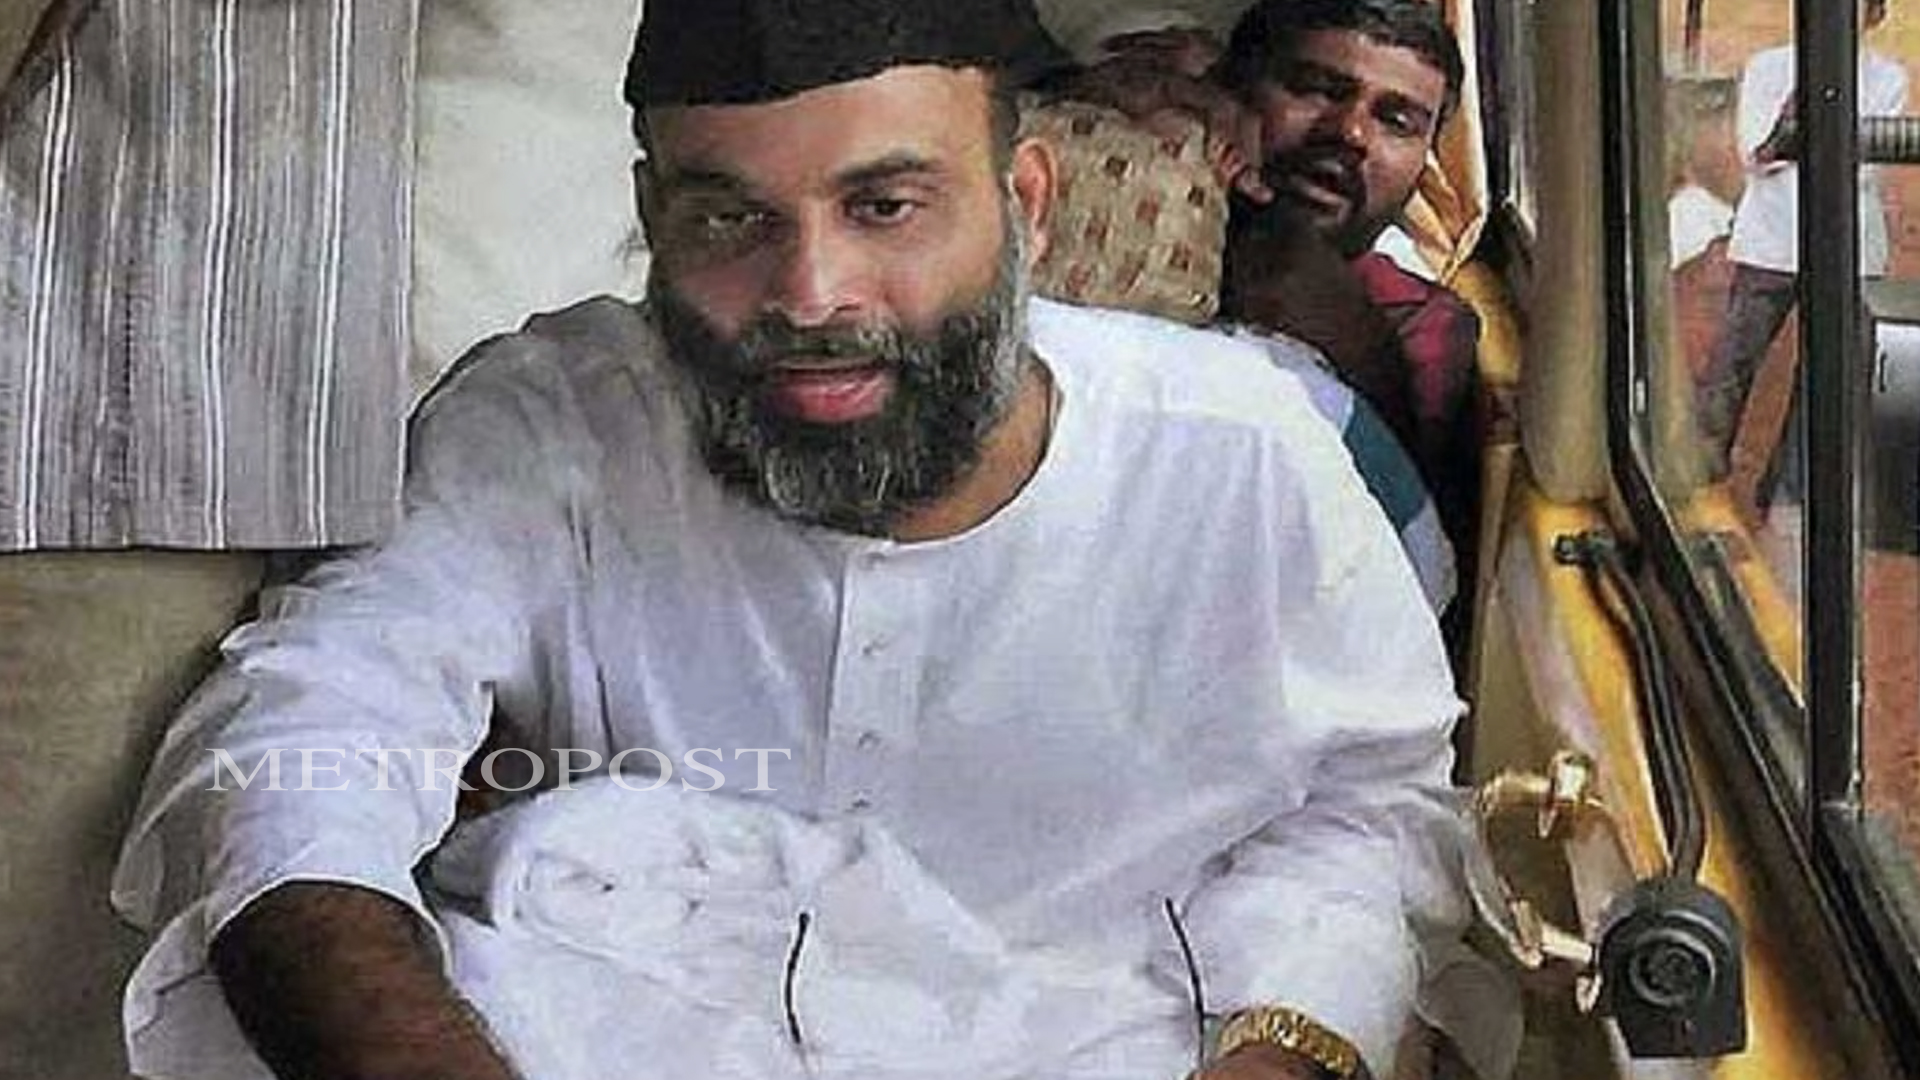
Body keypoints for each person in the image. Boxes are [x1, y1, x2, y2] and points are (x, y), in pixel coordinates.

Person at [112, 2, 1480, 1079]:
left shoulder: (1244, 452)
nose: (811, 293)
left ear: (1026, 204)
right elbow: (304, 741)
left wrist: (1279, 1043)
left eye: (885, 206)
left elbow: (1373, 806)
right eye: (729, 217)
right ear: (652, 219)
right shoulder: (551, 424)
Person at [1056, 0, 1482, 634]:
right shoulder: (1105, 221)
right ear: (1231, 92)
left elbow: (1402, 569)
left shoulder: (1420, 323)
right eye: (1315, 89)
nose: (1350, 133)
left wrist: (1350, 340)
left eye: (1396, 121)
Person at [1697, 0, 1908, 483]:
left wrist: (1798, 147)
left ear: (1873, 16)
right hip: (1772, 240)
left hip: (1848, 247)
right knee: (1736, 357)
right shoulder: (1767, 68)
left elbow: (1865, 167)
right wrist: (1799, 136)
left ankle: (1793, 486)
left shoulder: (1887, 78)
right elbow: (1756, 151)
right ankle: (1698, 466)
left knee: (1829, 372)